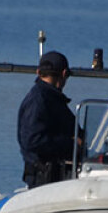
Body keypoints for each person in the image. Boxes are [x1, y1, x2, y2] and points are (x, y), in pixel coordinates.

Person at [17, 51, 77, 188]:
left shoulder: (50, 99)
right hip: (43, 178)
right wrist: (71, 143)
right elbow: (33, 141)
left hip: (51, 175)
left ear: (39, 72)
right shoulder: (40, 100)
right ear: (64, 74)